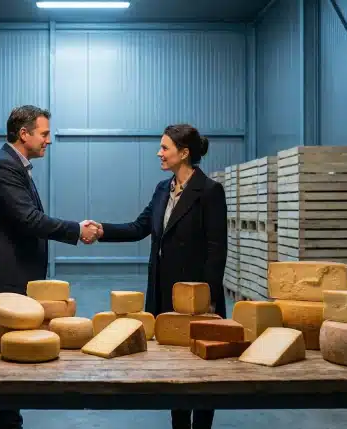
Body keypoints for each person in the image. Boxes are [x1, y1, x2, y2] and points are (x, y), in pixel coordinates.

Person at [0, 105, 100, 429]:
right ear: (24, 134)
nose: (48, 141)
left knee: (5, 360)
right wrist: (77, 230)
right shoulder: (2, 167)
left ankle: (9, 424)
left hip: (11, 279)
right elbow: (28, 219)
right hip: (0, 281)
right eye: (44, 133)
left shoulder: (15, 166)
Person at [85, 124, 227, 429]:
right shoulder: (163, 189)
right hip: (164, 294)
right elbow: (140, 227)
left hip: (198, 298)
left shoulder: (210, 191)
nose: (158, 153)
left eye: (165, 148)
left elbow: (217, 251)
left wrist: (210, 300)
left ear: (184, 153)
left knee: (202, 371)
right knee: (172, 365)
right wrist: (103, 230)